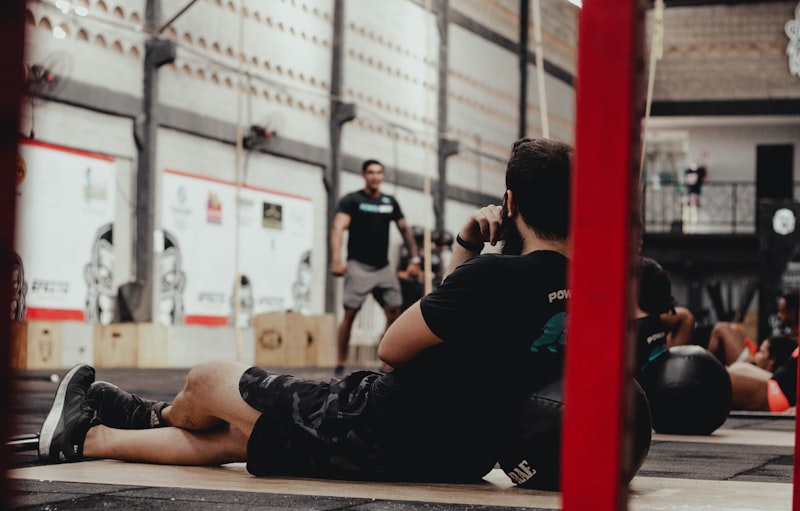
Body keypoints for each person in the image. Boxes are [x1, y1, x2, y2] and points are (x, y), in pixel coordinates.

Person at [37, 138, 572, 487]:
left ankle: (148, 414)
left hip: (377, 426)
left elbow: (393, 349)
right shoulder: (584, 289)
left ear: (509, 204)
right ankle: (86, 439)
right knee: (240, 438)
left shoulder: (498, 274)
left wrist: (472, 248)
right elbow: (468, 331)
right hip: (456, 454)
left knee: (206, 380)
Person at [330, 159, 422, 376]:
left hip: (383, 268)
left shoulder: (390, 202)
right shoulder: (352, 200)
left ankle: (386, 361)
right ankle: (340, 362)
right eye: (370, 172)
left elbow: (405, 231)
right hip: (358, 266)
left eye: (378, 172)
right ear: (364, 175)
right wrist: (336, 258)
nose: (374, 176)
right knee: (350, 313)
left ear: (382, 176)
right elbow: (337, 228)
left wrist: (415, 259)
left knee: (394, 310)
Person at [707, 291, 798, 366]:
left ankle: (706, 373)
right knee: (732, 329)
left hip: (760, 368)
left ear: (793, 313)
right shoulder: (792, 335)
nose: (778, 315)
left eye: (782, 311)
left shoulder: (795, 341)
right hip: (758, 358)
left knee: (720, 328)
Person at [727, 335, 798, 412]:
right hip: (777, 388)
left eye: (761, 352)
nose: (756, 355)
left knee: (719, 381)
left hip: (779, 394)